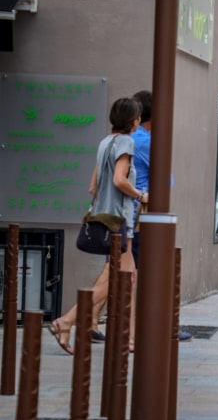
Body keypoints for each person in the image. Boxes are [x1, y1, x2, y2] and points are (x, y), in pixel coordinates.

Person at [49, 97, 143, 355]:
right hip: (118, 219)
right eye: (137, 118)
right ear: (133, 121)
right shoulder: (126, 142)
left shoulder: (104, 142)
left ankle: (129, 337)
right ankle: (66, 320)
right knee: (120, 277)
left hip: (104, 216)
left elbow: (93, 186)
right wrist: (140, 195)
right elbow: (118, 180)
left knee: (128, 275)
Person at [129, 90, 193, 342]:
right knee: (157, 273)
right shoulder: (146, 142)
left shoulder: (126, 139)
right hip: (142, 220)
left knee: (119, 276)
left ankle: (83, 320)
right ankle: (161, 326)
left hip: (128, 219)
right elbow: (166, 181)